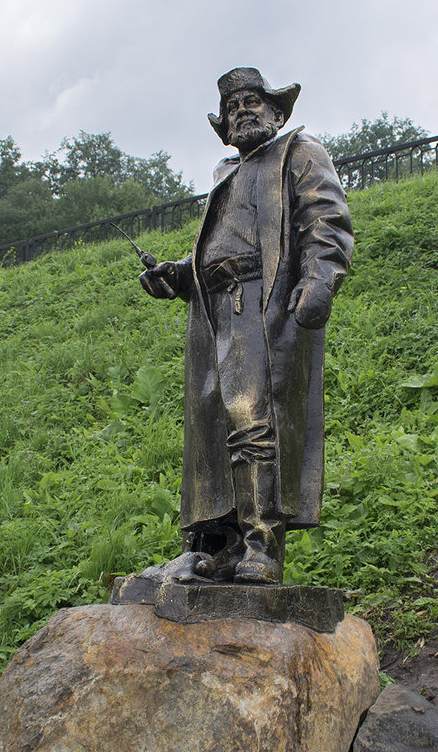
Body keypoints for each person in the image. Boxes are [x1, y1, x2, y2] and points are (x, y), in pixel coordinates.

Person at [140, 67, 353, 584]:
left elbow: (326, 220)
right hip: (216, 311)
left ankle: (263, 545)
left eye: (253, 101)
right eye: (232, 106)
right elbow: (219, 252)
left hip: (264, 303)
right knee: (214, 430)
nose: (242, 110)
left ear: (278, 113)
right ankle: (225, 545)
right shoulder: (225, 175)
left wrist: (320, 279)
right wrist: (181, 275)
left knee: (254, 419)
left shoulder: (299, 153)